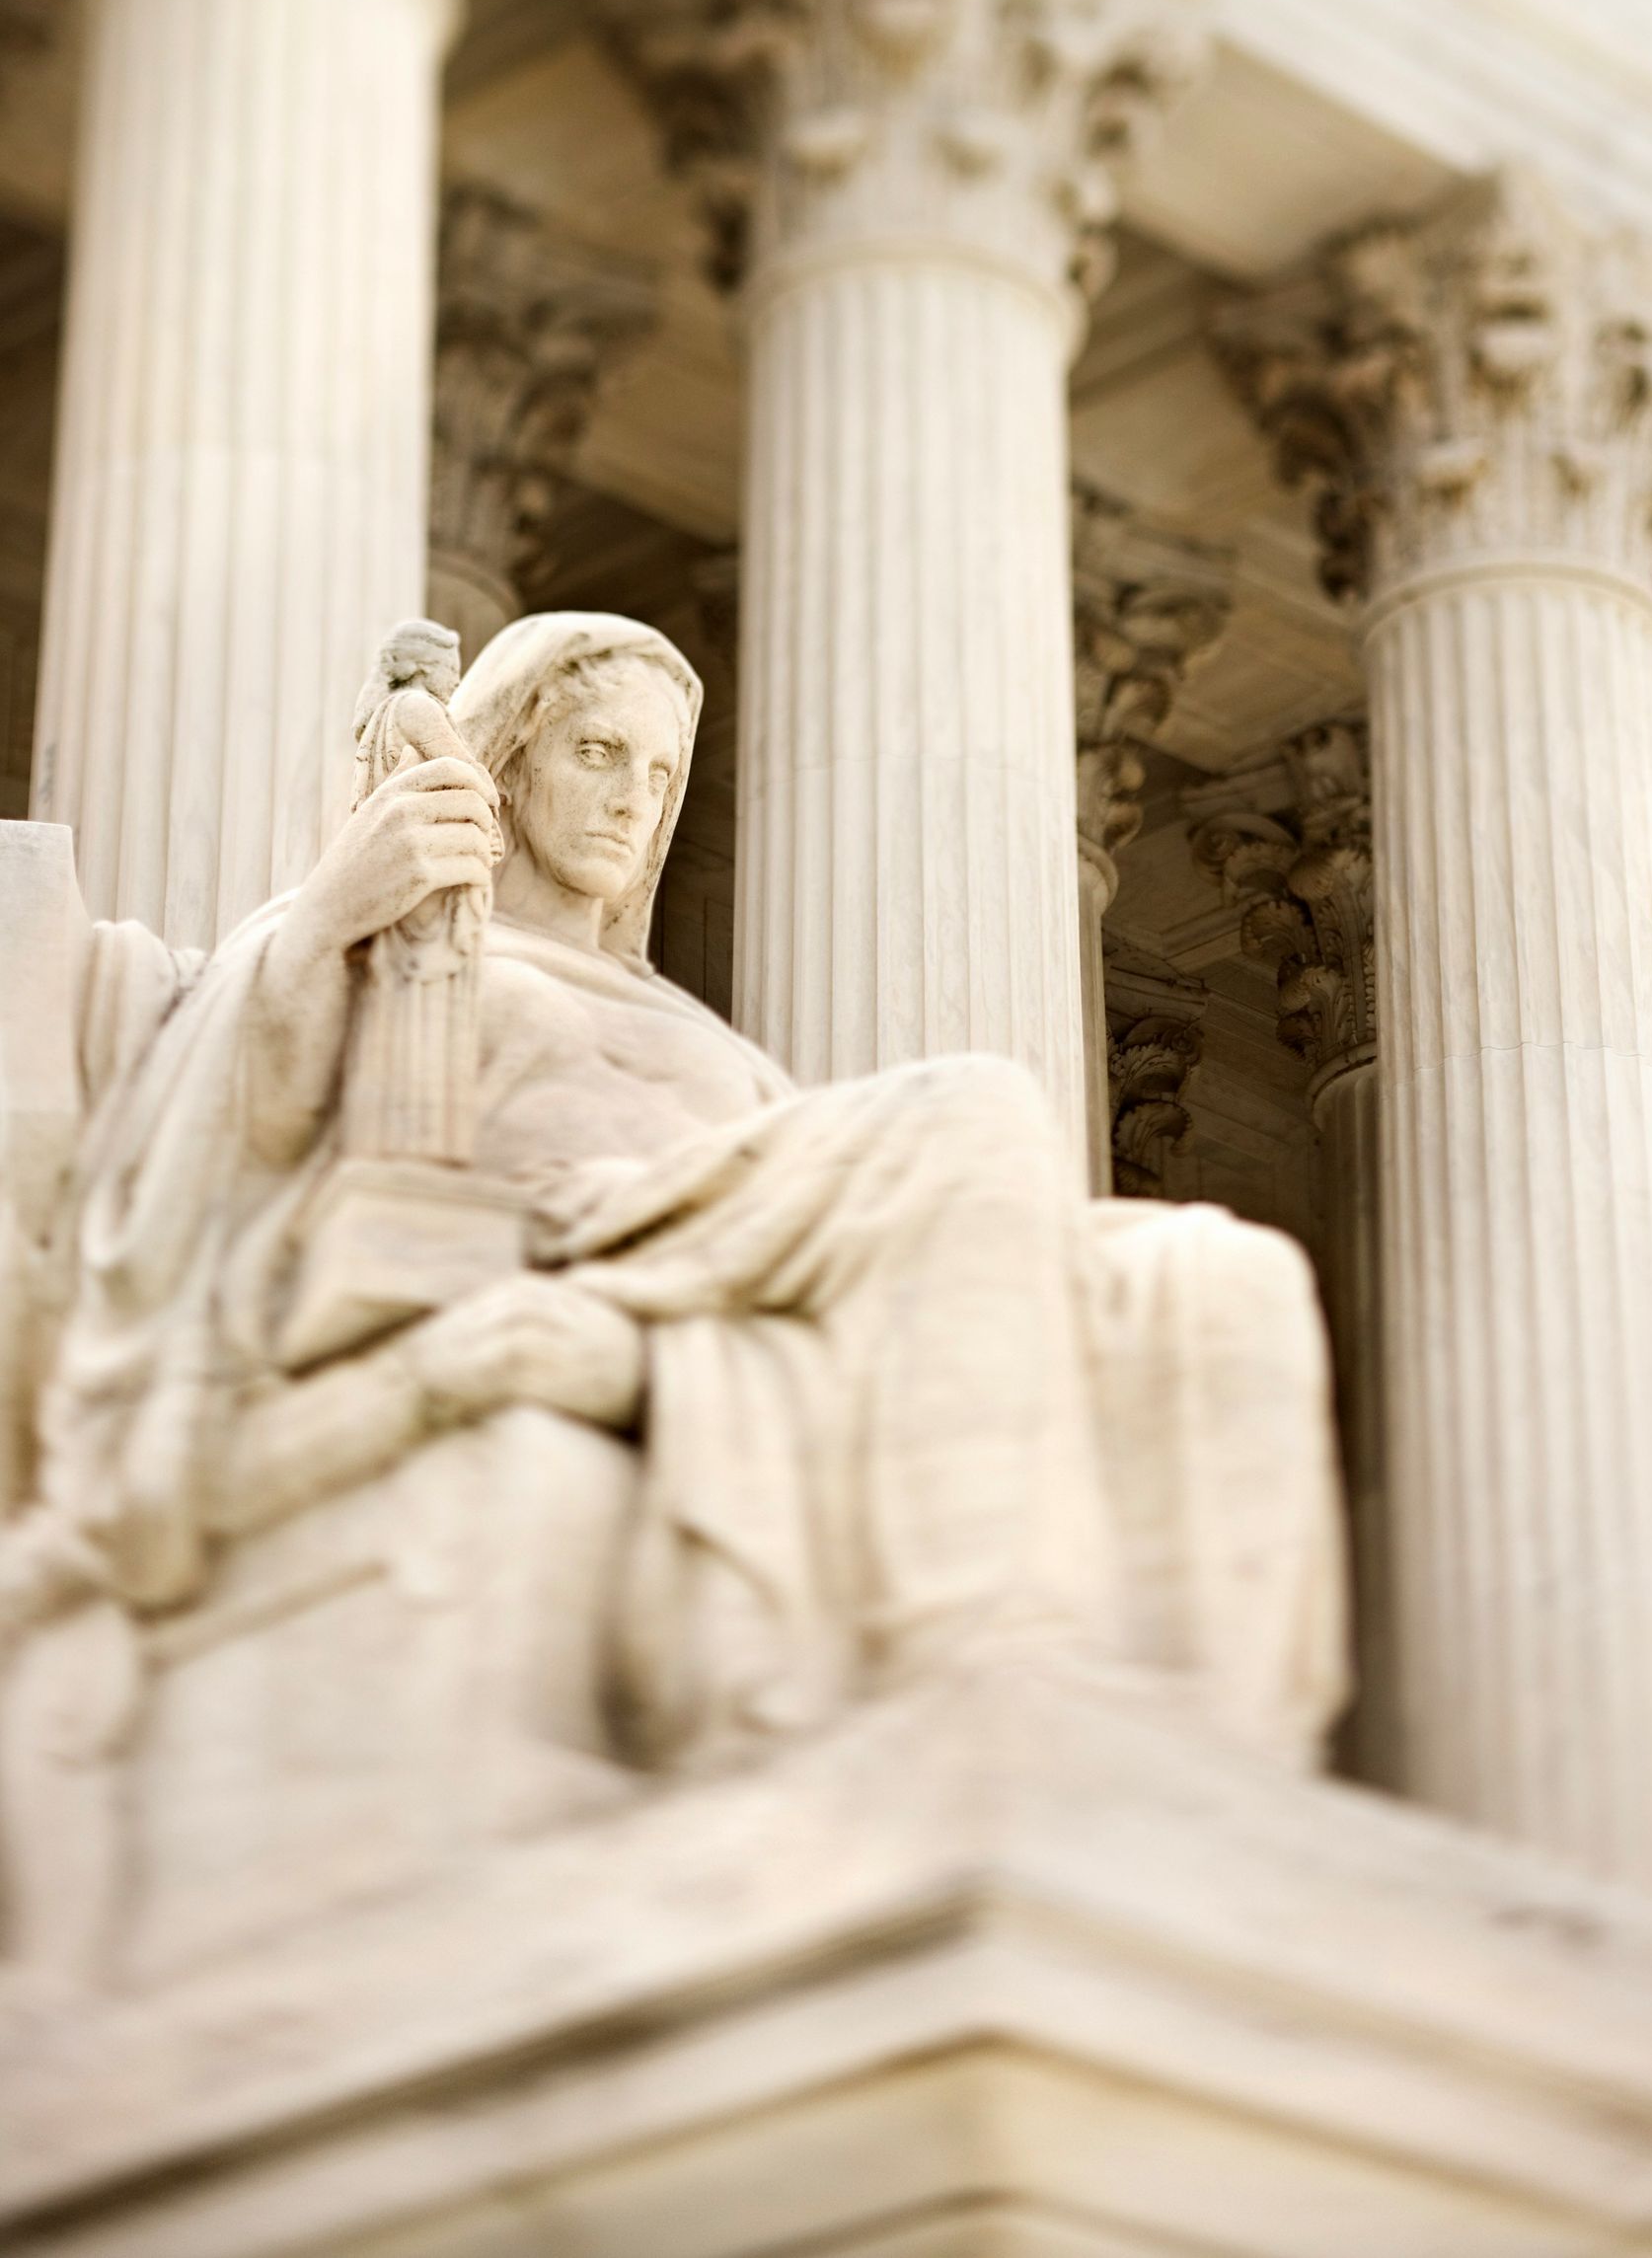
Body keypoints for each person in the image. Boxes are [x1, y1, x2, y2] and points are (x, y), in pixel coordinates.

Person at [31, 615, 1345, 1769]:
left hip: (745, 1253)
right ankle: (987, 1651)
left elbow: (806, 1172)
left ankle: (1196, 1739)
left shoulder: (679, 1018)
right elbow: (230, 1136)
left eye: (658, 775)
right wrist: (331, 915)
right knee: (980, 1110)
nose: (629, 800)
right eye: (598, 753)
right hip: (587, 1242)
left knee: (1225, 1279)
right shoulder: (385, 933)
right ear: (512, 756)